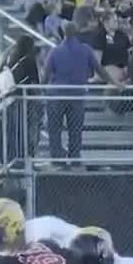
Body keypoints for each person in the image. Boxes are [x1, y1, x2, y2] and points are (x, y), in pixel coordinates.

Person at [45, 22, 122, 162]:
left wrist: (40, 91)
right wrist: (114, 82)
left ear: (63, 33)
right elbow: (100, 70)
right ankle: (74, 157)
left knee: (54, 128)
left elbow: (45, 75)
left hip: (56, 94)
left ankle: (56, 158)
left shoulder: (55, 51)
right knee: (75, 129)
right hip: (77, 95)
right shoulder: (86, 50)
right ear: (76, 33)